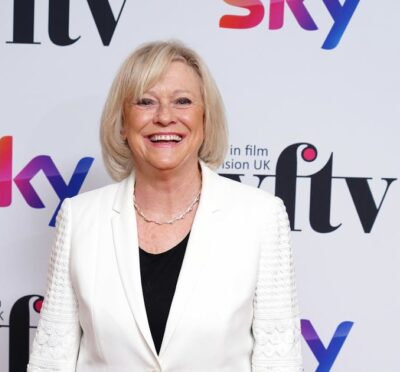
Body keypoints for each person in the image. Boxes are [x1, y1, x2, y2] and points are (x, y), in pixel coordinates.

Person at [27, 40, 303, 372]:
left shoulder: (260, 216)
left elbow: (279, 363)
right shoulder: (79, 218)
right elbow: (50, 362)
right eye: (145, 102)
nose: (165, 117)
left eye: (182, 101)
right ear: (122, 123)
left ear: (205, 119)